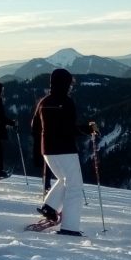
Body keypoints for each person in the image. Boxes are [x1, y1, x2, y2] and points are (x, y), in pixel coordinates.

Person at [30, 68, 97, 236]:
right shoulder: (66, 102)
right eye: (70, 83)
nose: (71, 87)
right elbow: (70, 128)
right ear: (65, 84)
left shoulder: (44, 102)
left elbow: (35, 127)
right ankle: (70, 227)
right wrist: (88, 129)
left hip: (47, 150)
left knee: (64, 179)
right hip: (65, 149)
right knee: (75, 186)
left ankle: (50, 207)